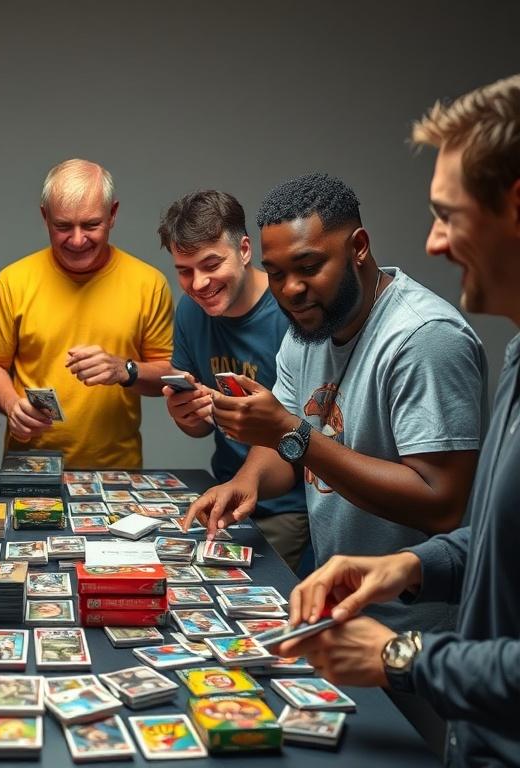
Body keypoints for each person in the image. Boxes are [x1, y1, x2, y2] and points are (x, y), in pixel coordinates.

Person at [279, 75, 520, 768]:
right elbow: (498, 542)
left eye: (448, 214)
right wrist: (409, 565)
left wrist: (401, 653)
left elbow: (442, 501)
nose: (434, 243)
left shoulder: (428, 335)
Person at [184, 172, 485, 634]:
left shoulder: (424, 338)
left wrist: (290, 433)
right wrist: (247, 481)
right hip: (339, 608)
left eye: (309, 267)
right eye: (278, 273)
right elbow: (281, 448)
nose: (290, 290)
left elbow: (438, 503)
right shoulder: (308, 332)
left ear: (358, 247)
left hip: (415, 627)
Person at [0, 158, 174, 468]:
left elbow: (170, 373)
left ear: (113, 215)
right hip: (30, 465)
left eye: (91, 225)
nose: (78, 240)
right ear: (45, 217)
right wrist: (11, 404)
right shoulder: (12, 281)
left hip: (117, 470)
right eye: (63, 226)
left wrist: (126, 369)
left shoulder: (149, 283)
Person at [159, 190, 310, 571]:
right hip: (222, 495)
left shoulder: (293, 313)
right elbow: (195, 429)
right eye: (184, 270)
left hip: (289, 507)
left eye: (211, 264)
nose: (198, 283)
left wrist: (237, 418)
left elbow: (308, 435)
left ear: (244, 250)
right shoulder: (191, 313)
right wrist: (186, 414)